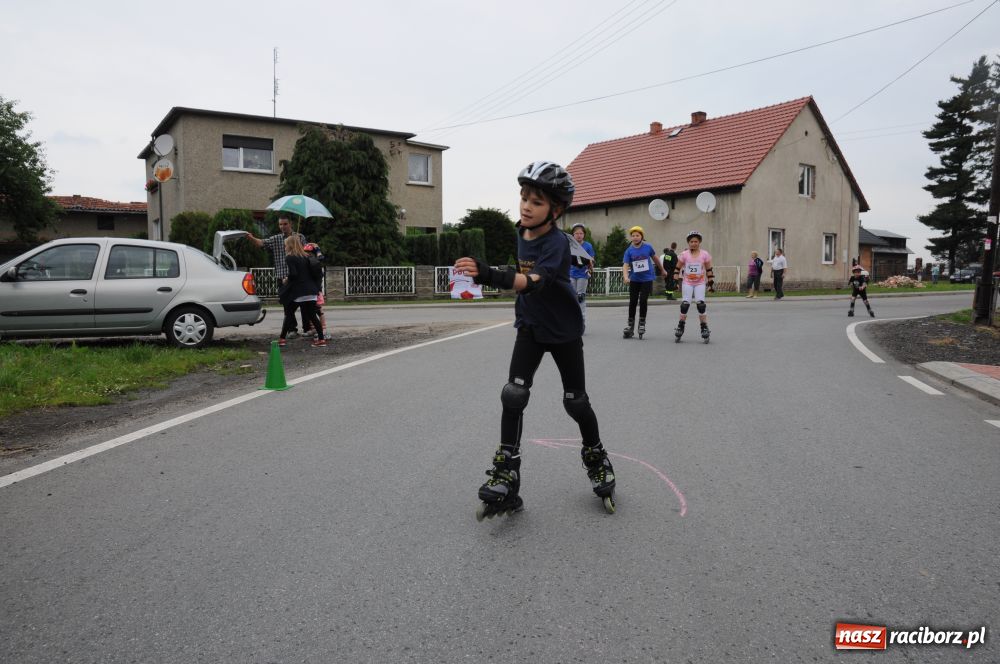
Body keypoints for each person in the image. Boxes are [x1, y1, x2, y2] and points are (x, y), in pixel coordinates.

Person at [454, 160, 616, 520]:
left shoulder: (557, 243)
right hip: (530, 325)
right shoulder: (521, 231)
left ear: (555, 210)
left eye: (536, 201)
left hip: (563, 331)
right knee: (513, 395)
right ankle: (506, 472)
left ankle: (596, 456)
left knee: (575, 403)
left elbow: (535, 281)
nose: (526, 206)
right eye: (524, 197)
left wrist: (489, 274)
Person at [247, 215, 308, 336]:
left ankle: (307, 328)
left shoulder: (299, 237)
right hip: (282, 278)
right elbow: (261, 243)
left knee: (304, 304)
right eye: (280, 224)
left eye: (285, 224)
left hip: (298, 277)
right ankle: (292, 330)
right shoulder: (276, 239)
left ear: (290, 224)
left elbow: (306, 253)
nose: (282, 227)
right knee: (287, 306)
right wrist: (251, 238)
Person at [279, 235, 326, 347]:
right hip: (311, 291)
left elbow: (294, 274)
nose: (284, 247)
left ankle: (281, 339)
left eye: (285, 245)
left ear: (290, 245)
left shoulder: (290, 257)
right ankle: (321, 340)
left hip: (299, 292)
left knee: (289, 314)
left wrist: (286, 280)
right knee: (313, 316)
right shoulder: (306, 256)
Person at [622, 225, 666, 339]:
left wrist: (662, 269)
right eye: (633, 236)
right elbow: (625, 265)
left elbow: (655, 258)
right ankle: (630, 326)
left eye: (637, 235)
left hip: (647, 278)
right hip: (635, 279)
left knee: (643, 300)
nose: (635, 237)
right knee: (632, 301)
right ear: (631, 238)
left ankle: (642, 323)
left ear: (642, 236)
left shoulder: (648, 247)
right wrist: (626, 277)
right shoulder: (629, 250)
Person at [672, 231, 714, 342]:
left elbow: (709, 270)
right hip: (687, 283)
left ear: (699, 242)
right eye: (691, 241)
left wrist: (710, 284)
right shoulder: (684, 255)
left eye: (696, 241)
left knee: (701, 305)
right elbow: (677, 269)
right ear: (688, 243)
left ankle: (704, 327)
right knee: (685, 305)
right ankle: (680, 326)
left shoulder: (704, 254)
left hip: (700, 283)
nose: (693, 243)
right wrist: (675, 283)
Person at [568, 222, 595, 333]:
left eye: (581, 233)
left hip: (582, 274)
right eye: (576, 233)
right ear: (573, 235)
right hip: (571, 274)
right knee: (572, 298)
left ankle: (581, 322)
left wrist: (590, 268)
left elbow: (591, 259)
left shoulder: (588, 246)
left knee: (580, 297)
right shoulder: (570, 245)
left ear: (584, 234)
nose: (579, 235)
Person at [302, 243, 331, 340]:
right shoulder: (306, 261)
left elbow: (321, 257)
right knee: (309, 312)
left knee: (319, 310)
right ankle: (314, 329)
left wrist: (317, 248)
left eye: (310, 252)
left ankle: (323, 330)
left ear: (314, 253)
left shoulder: (315, 262)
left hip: (316, 291)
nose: (308, 254)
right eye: (306, 252)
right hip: (309, 290)